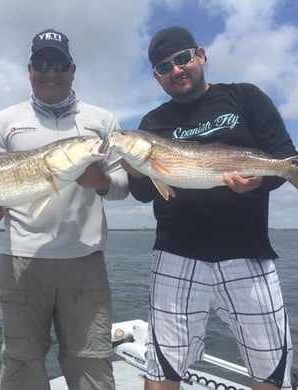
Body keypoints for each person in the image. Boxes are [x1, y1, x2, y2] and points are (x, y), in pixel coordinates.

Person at [123, 26, 296, 390]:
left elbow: (282, 159)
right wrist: (132, 166)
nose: (176, 70)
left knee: (269, 370)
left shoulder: (246, 98)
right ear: (156, 77)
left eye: (182, 58)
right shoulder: (152, 124)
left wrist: (262, 179)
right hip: (176, 254)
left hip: (247, 251)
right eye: (163, 67)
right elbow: (143, 195)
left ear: (200, 55)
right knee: (161, 369)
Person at [0, 28, 128, 390]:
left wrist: (102, 182)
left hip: (85, 259)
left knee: (91, 362)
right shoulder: (3, 121)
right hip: (20, 259)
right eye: (42, 63)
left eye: (59, 63)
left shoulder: (102, 121)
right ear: (29, 70)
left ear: (72, 69)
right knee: (20, 362)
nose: (51, 71)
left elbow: (123, 186)